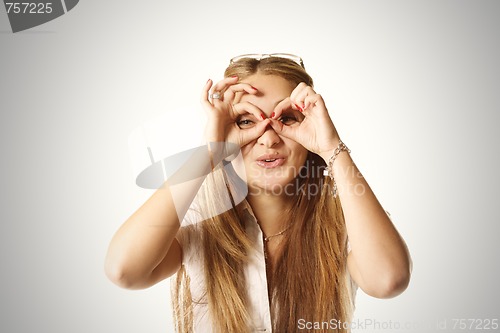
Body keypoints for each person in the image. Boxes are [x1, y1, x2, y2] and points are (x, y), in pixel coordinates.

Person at [105, 53, 412, 332]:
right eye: (246, 121)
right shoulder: (197, 214)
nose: (268, 139)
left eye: (287, 119)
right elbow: (124, 271)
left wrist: (332, 147)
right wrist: (209, 153)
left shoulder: (346, 214)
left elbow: (388, 280)